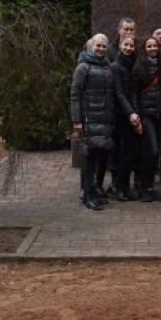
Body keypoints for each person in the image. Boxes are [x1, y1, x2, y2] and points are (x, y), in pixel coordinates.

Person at [71, 34, 116, 211]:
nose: (101, 49)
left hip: (104, 119)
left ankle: (95, 189)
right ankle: (88, 193)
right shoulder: (83, 67)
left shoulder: (107, 67)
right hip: (89, 119)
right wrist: (77, 120)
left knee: (99, 156)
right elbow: (75, 94)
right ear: (91, 46)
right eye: (98, 46)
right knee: (89, 158)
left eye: (104, 47)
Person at [133, 36, 161, 202]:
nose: (153, 48)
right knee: (151, 151)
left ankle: (150, 187)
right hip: (146, 114)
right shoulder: (139, 67)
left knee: (156, 153)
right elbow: (134, 93)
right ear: (144, 49)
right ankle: (143, 188)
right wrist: (137, 115)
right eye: (149, 46)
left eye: (155, 46)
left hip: (159, 114)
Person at [111, 36, 141, 201]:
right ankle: (118, 187)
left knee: (132, 152)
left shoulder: (134, 66)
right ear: (121, 45)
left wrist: (136, 114)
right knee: (125, 152)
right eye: (126, 45)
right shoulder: (115, 66)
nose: (129, 48)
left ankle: (124, 187)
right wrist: (130, 113)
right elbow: (119, 92)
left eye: (131, 45)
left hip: (132, 115)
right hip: (120, 115)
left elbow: (134, 93)